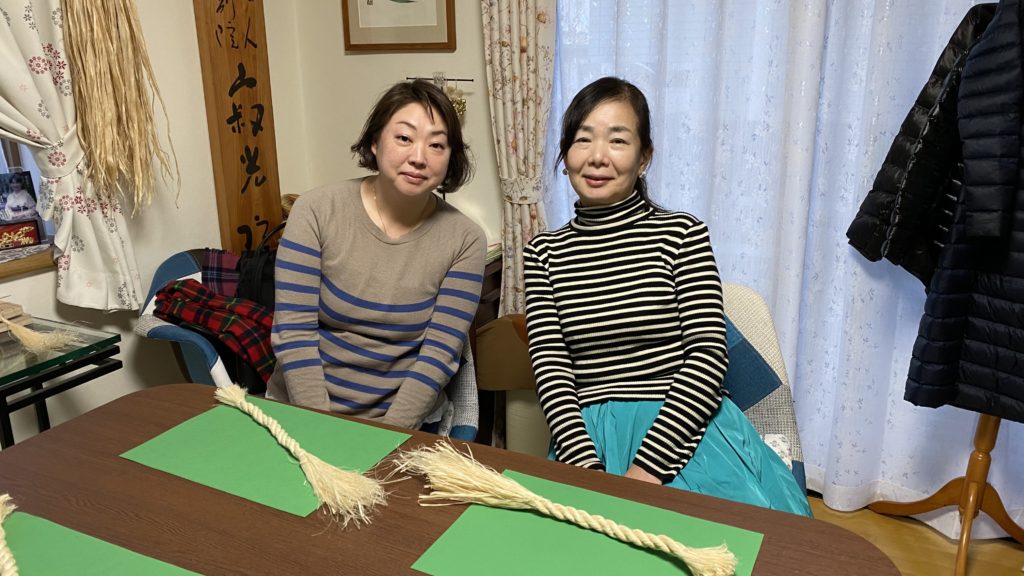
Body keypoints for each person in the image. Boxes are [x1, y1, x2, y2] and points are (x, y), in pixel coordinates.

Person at [524, 77, 810, 515]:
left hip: (686, 430)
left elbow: (707, 356)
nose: (597, 156)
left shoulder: (681, 234)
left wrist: (646, 471)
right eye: (582, 139)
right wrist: (588, 471)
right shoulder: (543, 252)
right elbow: (551, 369)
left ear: (644, 158)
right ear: (565, 155)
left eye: (618, 140)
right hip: (586, 439)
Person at [266, 80, 486, 433]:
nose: (418, 157)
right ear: (375, 141)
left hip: (403, 424)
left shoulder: (465, 239)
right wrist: (319, 429)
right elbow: (294, 334)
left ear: (450, 157)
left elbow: (438, 355)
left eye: (436, 144)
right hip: (304, 414)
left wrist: (385, 437)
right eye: (404, 138)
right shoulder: (316, 211)